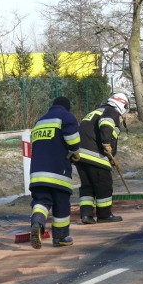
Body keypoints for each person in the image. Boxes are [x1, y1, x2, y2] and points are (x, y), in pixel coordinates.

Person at [28, 97, 81, 249]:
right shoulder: (65, 116)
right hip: (58, 172)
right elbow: (73, 141)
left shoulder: (39, 122)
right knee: (61, 204)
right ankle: (60, 237)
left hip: (37, 174)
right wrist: (75, 153)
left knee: (41, 202)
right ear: (67, 107)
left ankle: (37, 223)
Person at [76, 93, 129, 224]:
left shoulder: (95, 112)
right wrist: (106, 143)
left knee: (87, 186)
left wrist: (111, 159)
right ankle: (104, 215)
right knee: (104, 185)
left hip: (80, 156)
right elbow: (105, 124)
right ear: (122, 105)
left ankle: (86, 215)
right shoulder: (111, 111)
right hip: (95, 155)